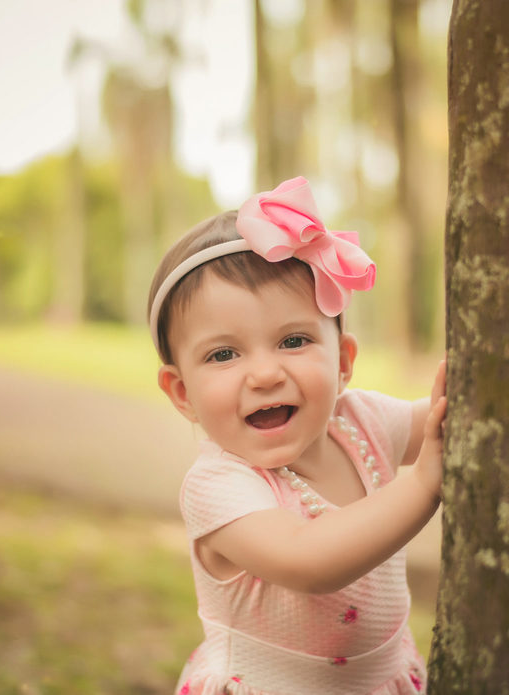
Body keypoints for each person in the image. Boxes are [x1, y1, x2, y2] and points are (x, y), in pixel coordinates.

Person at [147, 176, 446, 695]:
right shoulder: (219, 486)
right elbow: (309, 561)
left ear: (343, 362)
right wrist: (422, 484)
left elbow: (448, 422)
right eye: (223, 354)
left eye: (293, 340)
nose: (265, 374)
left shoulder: (360, 421)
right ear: (182, 392)